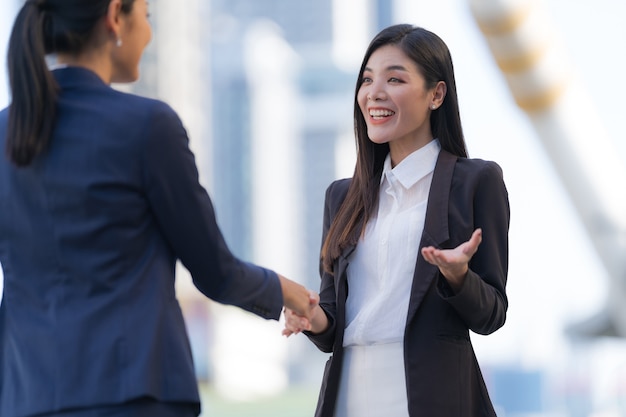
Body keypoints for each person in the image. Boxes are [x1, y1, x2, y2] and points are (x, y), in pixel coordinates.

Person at [0, 1, 317, 416]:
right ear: (115, 16)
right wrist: (291, 293)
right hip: (134, 395)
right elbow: (215, 272)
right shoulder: (146, 126)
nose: (148, 33)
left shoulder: (6, 133)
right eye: (146, 17)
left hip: (27, 397)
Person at [283, 24, 510, 416]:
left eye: (394, 79)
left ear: (436, 94)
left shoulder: (475, 182)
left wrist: (458, 278)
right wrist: (312, 315)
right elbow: (333, 323)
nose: (374, 93)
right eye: (367, 80)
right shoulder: (342, 197)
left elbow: (491, 314)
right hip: (348, 394)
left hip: (431, 395)